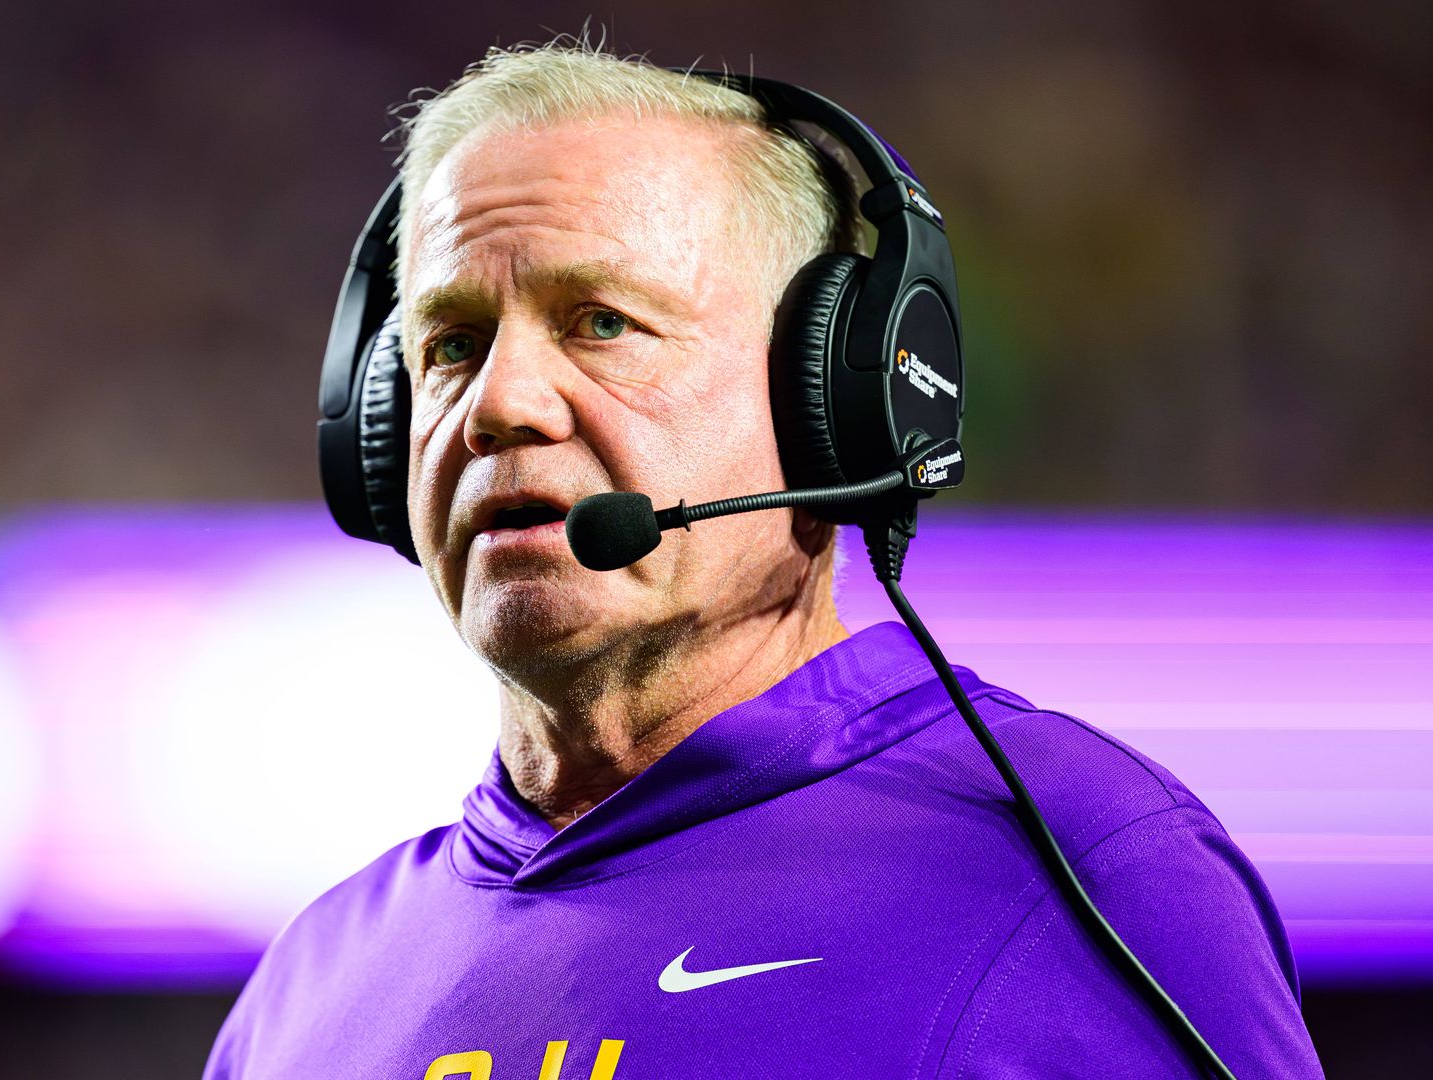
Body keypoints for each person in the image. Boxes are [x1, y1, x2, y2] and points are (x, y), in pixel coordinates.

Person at [206, 40, 1323, 1079]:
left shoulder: (1083, 876)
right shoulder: (301, 993)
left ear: (837, 400)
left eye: (600, 322)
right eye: (449, 345)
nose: (497, 402)